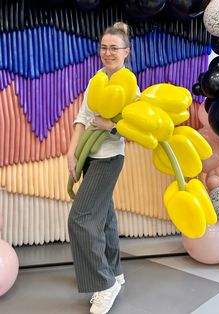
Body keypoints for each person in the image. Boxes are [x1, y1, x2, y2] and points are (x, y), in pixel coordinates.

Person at [67, 22, 136, 314]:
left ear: (126, 52)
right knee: (105, 218)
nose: (108, 53)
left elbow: (135, 129)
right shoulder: (96, 79)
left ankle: (103, 284)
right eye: (104, 47)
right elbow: (82, 117)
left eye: (114, 48)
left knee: (80, 219)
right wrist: (71, 153)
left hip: (109, 159)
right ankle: (115, 273)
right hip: (88, 157)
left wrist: (112, 126)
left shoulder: (130, 85)